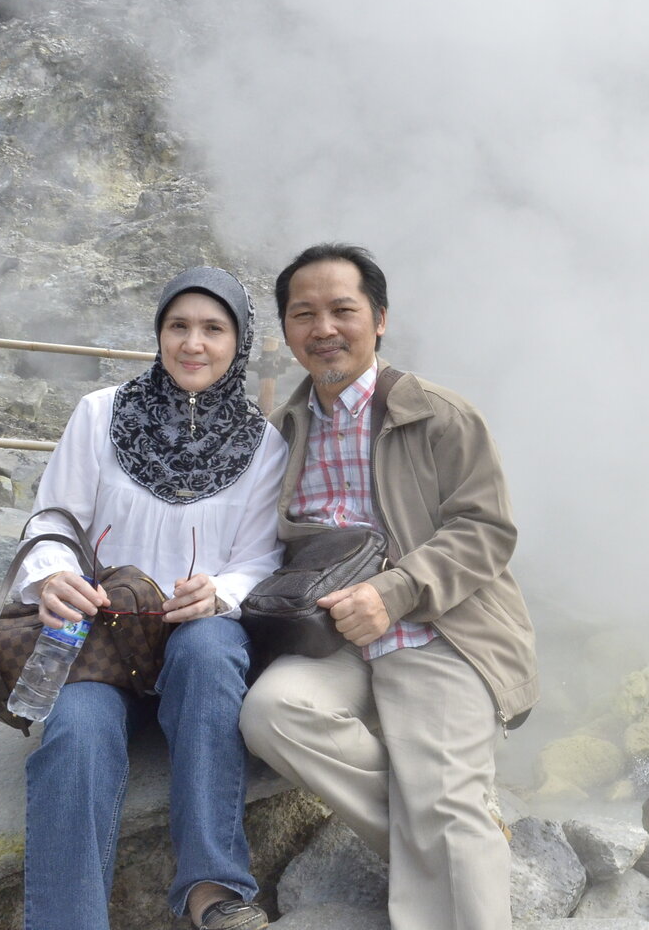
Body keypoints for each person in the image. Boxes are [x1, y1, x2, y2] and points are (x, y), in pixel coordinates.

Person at [239, 243, 538, 930]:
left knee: (443, 797)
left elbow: (486, 530)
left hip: (439, 628)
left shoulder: (439, 415)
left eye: (342, 310)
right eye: (303, 314)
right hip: (331, 642)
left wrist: (393, 593)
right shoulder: (281, 434)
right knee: (271, 715)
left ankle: (453, 835)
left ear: (378, 320)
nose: (324, 329)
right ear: (286, 330)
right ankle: (458, 839)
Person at [15, 266, 286, 930]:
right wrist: (51, 575)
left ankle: (213, 891)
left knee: (211, 648)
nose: (194, 344)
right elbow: (53, 518)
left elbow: (260, 559)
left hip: (194, 641)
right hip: (102, 635)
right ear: (158, 333)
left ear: (239, 342)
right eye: (178, 326)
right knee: (76, 733)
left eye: (213, 329)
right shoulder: (100, 413)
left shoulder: (264, 446)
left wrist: (219, 592)